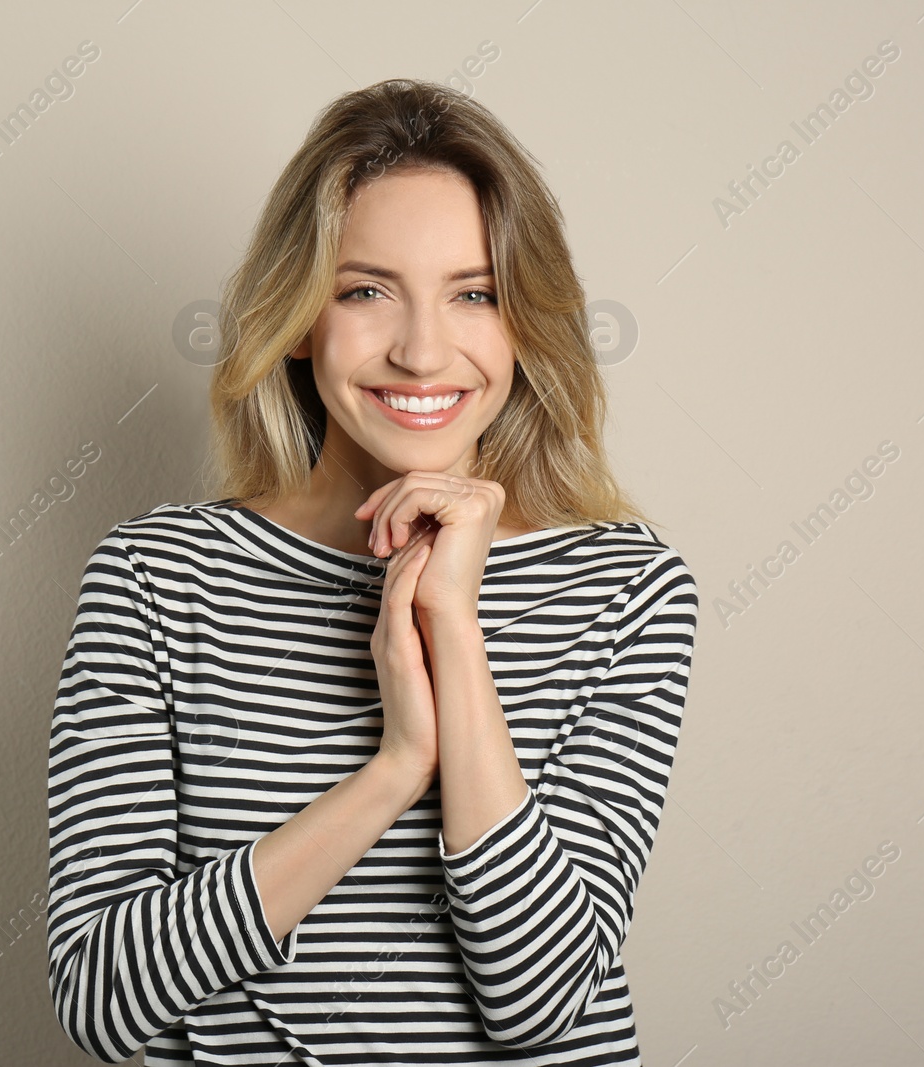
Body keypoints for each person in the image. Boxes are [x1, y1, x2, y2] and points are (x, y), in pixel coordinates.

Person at [46, 77, 698, 1065]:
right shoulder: (157, 577)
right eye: (365, 290)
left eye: (473, 293)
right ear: (302, 317)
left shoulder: (625, 588)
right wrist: (395, 767)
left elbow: (543, 1003)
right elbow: (104, 998)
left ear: (523, 321)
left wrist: (456, 637)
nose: (423, 350)